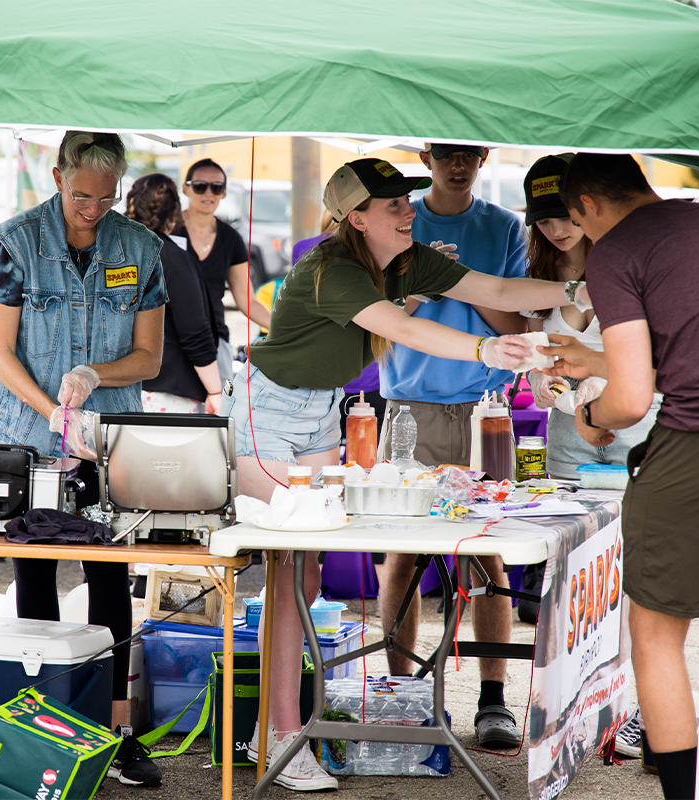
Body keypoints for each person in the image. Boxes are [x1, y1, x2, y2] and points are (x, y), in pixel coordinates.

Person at [223, 157, 591, 791]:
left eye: (406, 200)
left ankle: (279, 726)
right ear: (357, 218)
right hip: (268, 408)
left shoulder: (405, 257)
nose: (407, 210)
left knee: (304, 574)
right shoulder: (329, 268)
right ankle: (281, 735)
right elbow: (402, 327)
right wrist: (485, 349)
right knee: (291, 569)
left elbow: (497, 292)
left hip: (317, 413)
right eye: (392, 204)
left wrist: (581, 291)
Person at [543, 153, 699, 799]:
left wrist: (589, 412)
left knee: (655, 636)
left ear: (588, 205)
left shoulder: (616, 251)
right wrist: (596, 360)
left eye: (576, 220)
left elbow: (629, 399)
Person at [0, 131, 168, 787]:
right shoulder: (14, 243)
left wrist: (92, 374)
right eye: (82, 195)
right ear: (57, 177)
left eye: (106, 198)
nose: (92, 209)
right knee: (36, 571)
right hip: (22, 431)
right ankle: (43, 722)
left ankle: (114, 729)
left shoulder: (139, 249)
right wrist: (50, 408)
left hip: (107, 433)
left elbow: (150, 357)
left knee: (110, 575)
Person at [374, 143, 528, 749]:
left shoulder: (502, 226)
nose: (456, 164)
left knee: (489, 553)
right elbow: (380, 314)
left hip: (484, 413)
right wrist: (425, 282)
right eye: (445, 154)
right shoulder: (397, 215)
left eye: (468, 153)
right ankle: (401, 694)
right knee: (401, 557)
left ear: (485, 156)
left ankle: (494, 701)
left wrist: (454, 280)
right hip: (408, 409)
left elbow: (516, 325)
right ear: (425, 155)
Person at [520, 154, 658, 481]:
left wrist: (604, 375)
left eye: (563, 217)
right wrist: (539, 381)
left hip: (635, 420)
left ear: (583, 205)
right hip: (568, 428)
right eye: (543, 222)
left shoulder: (626, 264)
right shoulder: (536, 276)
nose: (556, 230)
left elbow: (661, 356)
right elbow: (534, 353)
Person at [174, 158, 273, 386]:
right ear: (185, 188)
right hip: (169, 342)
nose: (208, 192)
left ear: (224, 193)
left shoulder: (231, 238)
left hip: (213, 340)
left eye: (216, 187)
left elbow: (247, 301)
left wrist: (287, 329)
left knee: (217, 417)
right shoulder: (166, 230)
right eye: (200, 185)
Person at [128, 174, 222, 413]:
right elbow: (195, 332)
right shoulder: (172, 258)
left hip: (117, 390)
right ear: (173, 215)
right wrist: (215, 390)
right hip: (167, 397)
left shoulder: (113, 254)